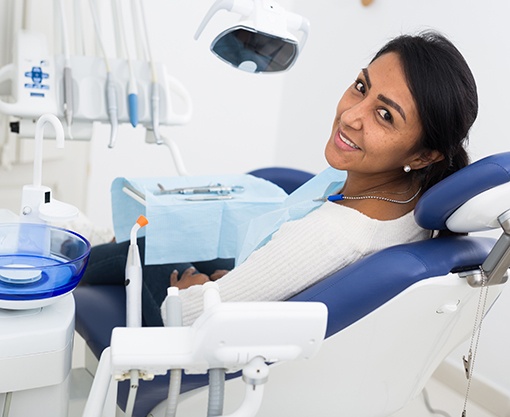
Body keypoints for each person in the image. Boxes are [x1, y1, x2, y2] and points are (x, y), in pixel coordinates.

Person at [81, 30, 478, 327]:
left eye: (385, 115)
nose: (351, 115)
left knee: (144, 248)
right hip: (258, 291)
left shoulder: (332, 236)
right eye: (361, 87)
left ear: (425, 154)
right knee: (162, 236)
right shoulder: (412, 201)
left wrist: (195, 289)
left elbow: (191, 315)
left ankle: (62, 262)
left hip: (195, 332)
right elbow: (287, 274)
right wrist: (243, 279)